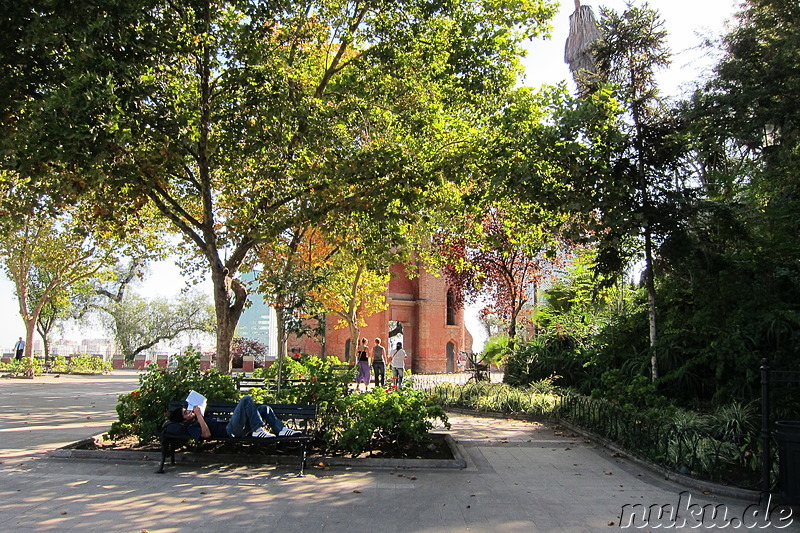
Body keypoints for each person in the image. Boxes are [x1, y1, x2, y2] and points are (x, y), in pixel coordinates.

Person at [169, 395, 299, 440]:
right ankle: (258, 430)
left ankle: (281, 430)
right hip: (231, 431)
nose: (189, 412)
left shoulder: (198, 417)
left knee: (264, 408)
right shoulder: (192, 427)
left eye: (187, 410)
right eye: (186, 413)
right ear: (184, 420)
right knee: (246, 400)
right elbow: (207, 434)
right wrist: (198, 416)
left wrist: (200, 411)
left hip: (233, 425)